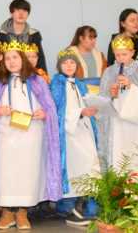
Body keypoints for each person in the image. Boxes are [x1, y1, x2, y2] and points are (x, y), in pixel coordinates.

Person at [0, 40, 61, 230]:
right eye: (8, 58)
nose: (11, 61)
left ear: (23, 59)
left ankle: (22, 213)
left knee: (27, 173)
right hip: (5, 136)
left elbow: (50, 107)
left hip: (31, 135)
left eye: (15, 57)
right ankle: (7, 213)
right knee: (7, 174)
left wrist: (44, 114)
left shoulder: (37, 80)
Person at [49, 49, 100, 226]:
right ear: (59, 66)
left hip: (84, 129)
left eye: (72, 62)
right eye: (65, 63)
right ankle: (69, 204)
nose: (69, 66)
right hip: (69, 133)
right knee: (75, 167)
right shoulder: (57, 84)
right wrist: (80, 112)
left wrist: (93, 108)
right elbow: (57, 109)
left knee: (91, 165)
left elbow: (86, 102)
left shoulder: (80, 84)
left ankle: (89, 204)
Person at [99, 35, 138, 171]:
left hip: (136, 123)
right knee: (119, 153)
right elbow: (102, 100)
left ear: (132, 52)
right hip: (116, 122)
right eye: (117, 55)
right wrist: (112, 94)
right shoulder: (109, 72)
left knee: (135, 155)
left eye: (124, 54)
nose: (121, 58)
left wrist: (132, 86)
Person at [0, 0, 47, 70]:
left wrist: (44, 77)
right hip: (7, 76)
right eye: (18, 10)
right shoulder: (1, 34)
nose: (21, 14)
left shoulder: (34, 34)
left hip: (29, 75)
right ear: (11, 13)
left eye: (25, 11)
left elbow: (40, 59)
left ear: (28, 14)